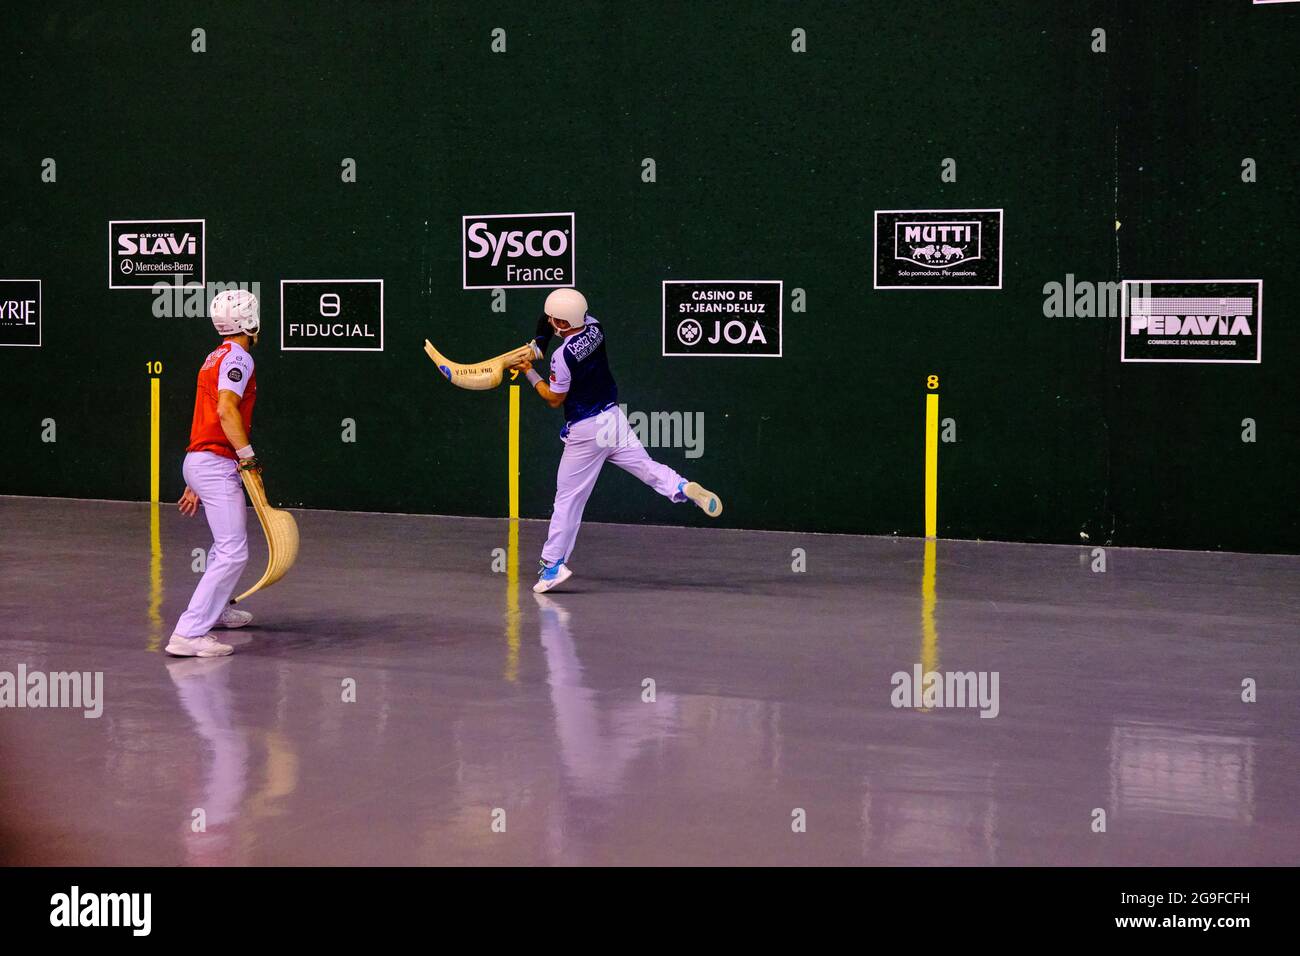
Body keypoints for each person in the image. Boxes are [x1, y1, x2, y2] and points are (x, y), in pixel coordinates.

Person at [517, 288, 722, 594]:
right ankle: (682, 487)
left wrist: (529, 371)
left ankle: (552, 566)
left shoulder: (563, 358)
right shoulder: (596, 328)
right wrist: (539, 345)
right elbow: (551, 320)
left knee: (568, 500)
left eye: (553, 319)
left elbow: (553, 398)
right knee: (646, 465)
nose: (548, 320)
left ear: (562, 322)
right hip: (613, 420)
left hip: (586, 431)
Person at [167, 290, 263, 657]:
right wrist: (249, 458)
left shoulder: (214, 356)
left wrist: (197, 481)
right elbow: (225, 411)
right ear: (250, 322)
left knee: (224, 544)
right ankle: (189, 633)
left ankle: (218, 611)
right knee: (233, 551)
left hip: (201, 460)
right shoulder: (239, 357)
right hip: (215, 461)